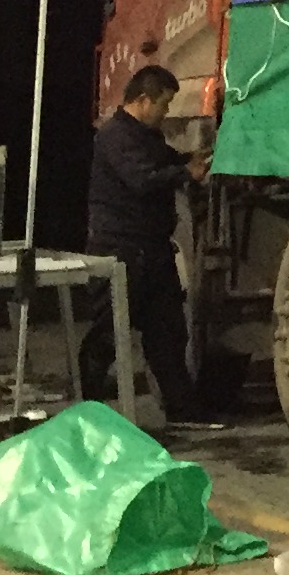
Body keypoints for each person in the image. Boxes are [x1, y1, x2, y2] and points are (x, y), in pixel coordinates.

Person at [84, 64, 209, 425]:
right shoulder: (114, 136)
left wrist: (190, 160)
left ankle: (182, 411)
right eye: (164, 104)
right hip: (120, 252)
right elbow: (142, 179)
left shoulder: (146, 137)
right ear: (143, 100)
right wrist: (185, 173)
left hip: (153, 250)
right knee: (107, 334)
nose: (166, 112)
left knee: (168, 334)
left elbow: (165, 160)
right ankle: (86, 409)